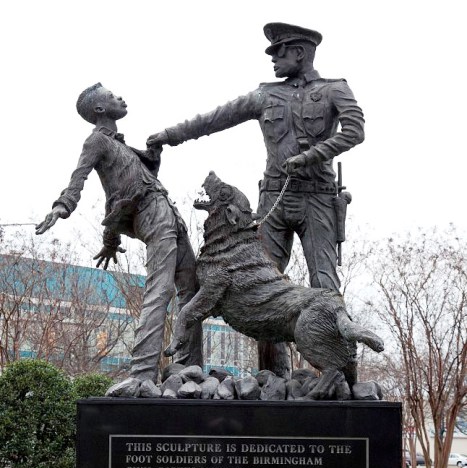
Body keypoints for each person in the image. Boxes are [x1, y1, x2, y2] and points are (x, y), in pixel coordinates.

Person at [147, 22, 365, 377]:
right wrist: (171, 135)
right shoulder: (265, 95)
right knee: (262, 288)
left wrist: (312, 156)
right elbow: (215, 118)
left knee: (325, 283)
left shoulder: (334, 90)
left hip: (319, 200)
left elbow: (356, 132)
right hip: (273, 205)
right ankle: (273, 378)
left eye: (280, 52)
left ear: (300, 52)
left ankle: (343, 373)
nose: (274, 60)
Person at [36, 83, 202, 393]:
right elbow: (79, 179)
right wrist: (62, 207)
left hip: (167, 212)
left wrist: (153, 156)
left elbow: (131, 179)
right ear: (99, 109)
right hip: (151, 213)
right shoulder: (96, 141)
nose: (120, 98)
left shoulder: (123, 146)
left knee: (190, 289)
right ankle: (142, 371)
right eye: (112, 97)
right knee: (160, 287)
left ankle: (186, 365)